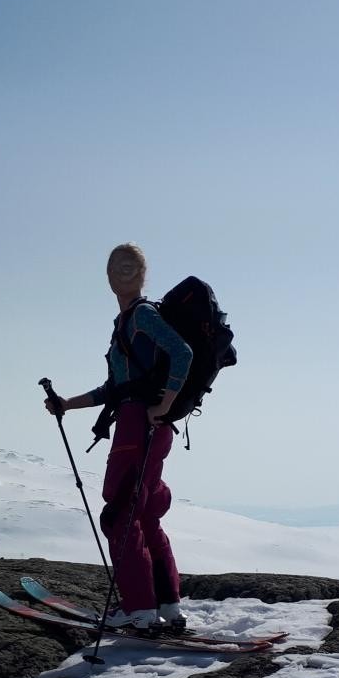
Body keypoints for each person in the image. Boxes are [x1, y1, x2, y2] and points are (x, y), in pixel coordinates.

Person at [44, 243, 193, 633]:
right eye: (116, 265)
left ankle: (140, 609)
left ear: (143, 275)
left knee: (120, 514)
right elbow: (115, 387)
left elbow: (183, 353)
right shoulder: (128, 321)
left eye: (132, 265)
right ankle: (168, 605)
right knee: (144, 512)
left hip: (138, 425)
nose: (123, 270)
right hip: (148, 424)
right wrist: (67, 404)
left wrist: (166, 403)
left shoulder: (142, 315)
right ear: (108, 277)